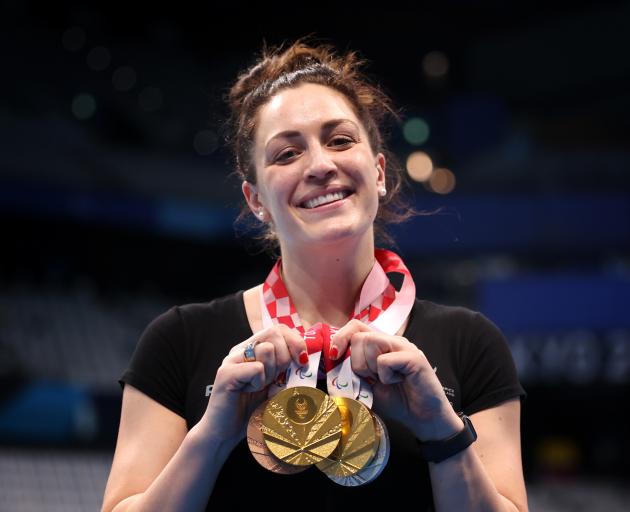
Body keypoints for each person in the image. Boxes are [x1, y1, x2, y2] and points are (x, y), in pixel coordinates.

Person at [102, 40, 528, 512]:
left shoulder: (469, 343)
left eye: (340, 140)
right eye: (286, 154)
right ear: (256, 200)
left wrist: (442, 432)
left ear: (380, 171)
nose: (321, 165)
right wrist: (211, 436)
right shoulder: (180, 341)